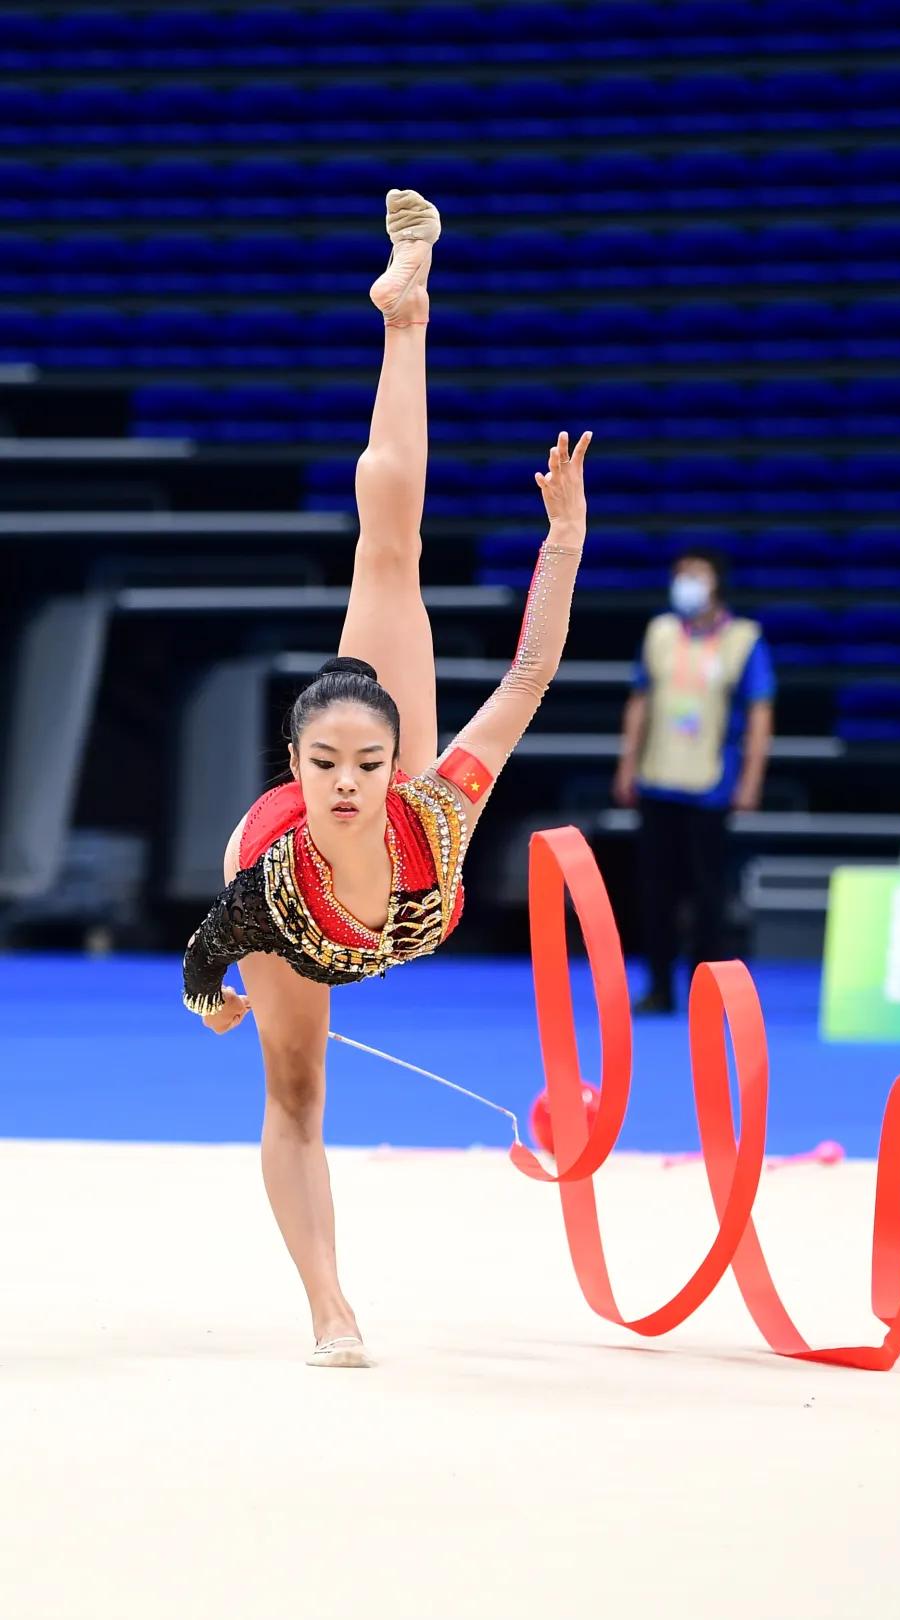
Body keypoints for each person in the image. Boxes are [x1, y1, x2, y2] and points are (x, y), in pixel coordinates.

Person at [182, 190, 592, 1367]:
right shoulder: (266, 886)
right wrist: (207, 995)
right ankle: (330, 1307)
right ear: (296, 768)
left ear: (393, 755)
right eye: (329, 766)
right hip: (300, 926)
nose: (353, 782)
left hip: (396, 885)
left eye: (369, 760)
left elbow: (527, 677)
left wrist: (560, 540)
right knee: (298, 1090)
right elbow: (205, 957)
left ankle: (404, 314)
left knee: (389, 539)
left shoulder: (432, 796)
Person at [613, 548, 775, 1014]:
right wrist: (627, 765)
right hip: (658, 780)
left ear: (717, 585)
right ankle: (659, 987)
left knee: (708, 896)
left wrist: (751, 779)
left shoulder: (744, 640)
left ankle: (706, 993)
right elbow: (639, 701)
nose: (687, 583)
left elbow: (760, 712)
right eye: (681, 575)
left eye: (697, 576)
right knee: (654, 891)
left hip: (711, 785)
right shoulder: (660, 633)